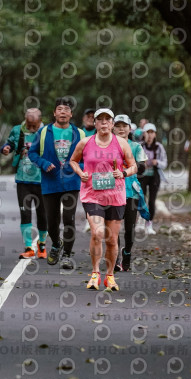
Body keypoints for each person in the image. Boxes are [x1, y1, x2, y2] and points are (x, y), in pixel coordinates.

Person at [69, 108, 137, 291]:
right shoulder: (85, 142)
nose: (104, 122)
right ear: (96, 123)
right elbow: (73, 160)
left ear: (112, 124)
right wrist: (80, 172)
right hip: (92, 194)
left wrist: (122, 172)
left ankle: (110, 276)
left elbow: (133, 167)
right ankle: (95, 273)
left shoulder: (122, 144)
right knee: (98, 233)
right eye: (101, 119)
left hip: (116, 196)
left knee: (112, 240)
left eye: (108, 119)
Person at [28, 97, 86, 269]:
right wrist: (45, 164)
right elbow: (32, 153)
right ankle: (56, 244)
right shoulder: (44, 132)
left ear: (71, 114)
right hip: (50, 181)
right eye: (59, 109)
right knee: (51, 221)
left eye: (66, 109)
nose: (63, 112)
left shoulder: (80, 134)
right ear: (54, 113)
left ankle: (67, 255)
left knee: (68, 218)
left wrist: (76, 167)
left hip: (71, 182)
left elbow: (86, 158)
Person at [0, 108, 48, 259]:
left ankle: (42, 245)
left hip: (42, 181)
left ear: (40, 121)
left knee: (42, 214)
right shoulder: (17, 130)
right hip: (23, 180)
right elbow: (9, 144)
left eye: (34, 125)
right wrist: (6, 148)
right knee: (25, 213)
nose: (31, 128)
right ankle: (28, 247)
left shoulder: (47, 132)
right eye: (29, 125)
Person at [112, 114, 147, 272]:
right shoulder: (107, 145)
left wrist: (127, 166)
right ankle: (116, 259)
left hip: (130, 192)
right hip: (111, 192)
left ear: (129, 128)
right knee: (114, 228)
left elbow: (142, 167)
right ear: (113, 127)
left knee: (129, 228)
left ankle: (127, 253)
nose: (121, 129)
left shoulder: (136, 147)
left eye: (124, 126)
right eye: (118, 126)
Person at [139, 123, 167, 235]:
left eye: (152, 132)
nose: (149, 135)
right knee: (141, 200)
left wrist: (157, 162)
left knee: (151, 201)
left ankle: (149, 224)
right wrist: (141, 164)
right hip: (141, 176)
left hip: (154, 176)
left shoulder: (159, 147)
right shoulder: (139, 146)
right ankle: (140, 221)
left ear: (155, 134)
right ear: (144, 134)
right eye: (147, 132)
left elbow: (165, 163)